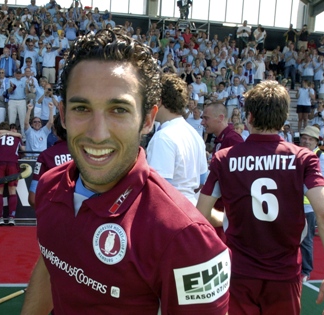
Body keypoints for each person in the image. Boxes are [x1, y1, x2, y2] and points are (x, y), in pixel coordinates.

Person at [20, 28, 229, 315]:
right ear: (63, 114)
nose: (97, 133)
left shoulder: (187, 236)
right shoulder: (49, 186)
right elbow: (50, 265)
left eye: (118, 110)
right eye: (82, 108)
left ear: (147, 120)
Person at [197, 81, 324, 315]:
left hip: (239, 272)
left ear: (250, 117)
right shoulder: (303, 158)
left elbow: (200, 215)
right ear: (284, 117)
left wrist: (227, 218)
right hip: (284, 273)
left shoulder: (223, 158)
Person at [147, 73, 207, 205]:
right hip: (190, 207)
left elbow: (159, 189)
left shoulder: (163, 137)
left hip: (172, 211)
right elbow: (202, 179)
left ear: (159, 101)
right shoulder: (194, 134)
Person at [299, 125, 324, 283]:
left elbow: (320, 183)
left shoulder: (323, 159)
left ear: (316, 141)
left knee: (306, 240)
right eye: (304, 138)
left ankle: (305, 270)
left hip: (308, 207)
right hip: (292, 204)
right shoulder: (295, 154)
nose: (306, 141)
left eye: (310, 139)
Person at [0, 122, 24, 226]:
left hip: (0, 163)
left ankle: (0, 217)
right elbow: (23, 150)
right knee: (12, 191)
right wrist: (16, 134)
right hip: (12, 164)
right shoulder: (17, 138)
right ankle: (11, 217)